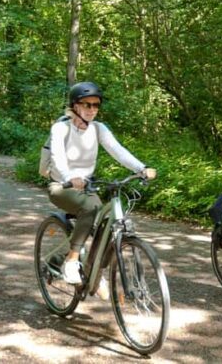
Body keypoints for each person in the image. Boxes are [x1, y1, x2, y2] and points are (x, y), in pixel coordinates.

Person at [47, 81, 156, 294]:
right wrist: (71, 176)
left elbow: (118, 150)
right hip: (62, 185)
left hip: (87, 187)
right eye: (86, 105)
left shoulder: (98, 129)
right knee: (90, 209)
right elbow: (57, 157)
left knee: (107, 226)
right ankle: (71, 260)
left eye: (96, 105)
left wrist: (141, 168)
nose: (92, 109)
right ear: (75, 106)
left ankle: (90, 269)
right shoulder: (61, 128)